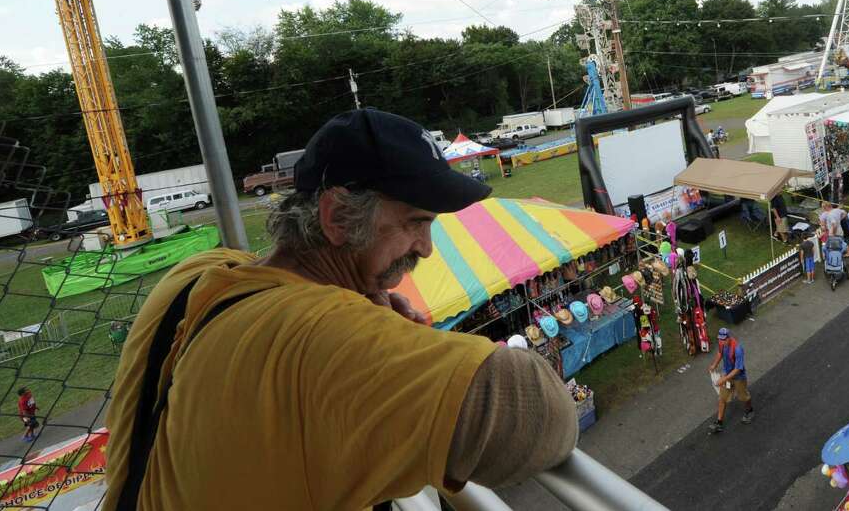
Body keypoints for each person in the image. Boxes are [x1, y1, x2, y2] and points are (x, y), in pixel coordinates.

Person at [102, 110, 578, 510]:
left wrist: (360, 301)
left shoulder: (197, 276)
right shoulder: (320, 335)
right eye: (415, 222)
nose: (427, 248)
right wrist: (370, 322)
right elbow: (537, 416)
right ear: (334, 216)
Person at [707, 328, 753, 434]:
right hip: (727, 375)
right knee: (722, 398)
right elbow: (720, 353)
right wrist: (714, 365)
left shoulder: (737, 349)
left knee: (744, 396)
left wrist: (723, 379)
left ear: (729, 337)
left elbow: (738, 369)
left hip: (738, 378)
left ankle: (750, 410)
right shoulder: (722, 344)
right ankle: (719, 423)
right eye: (720, 339)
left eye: (724, 339)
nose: (721, 342)